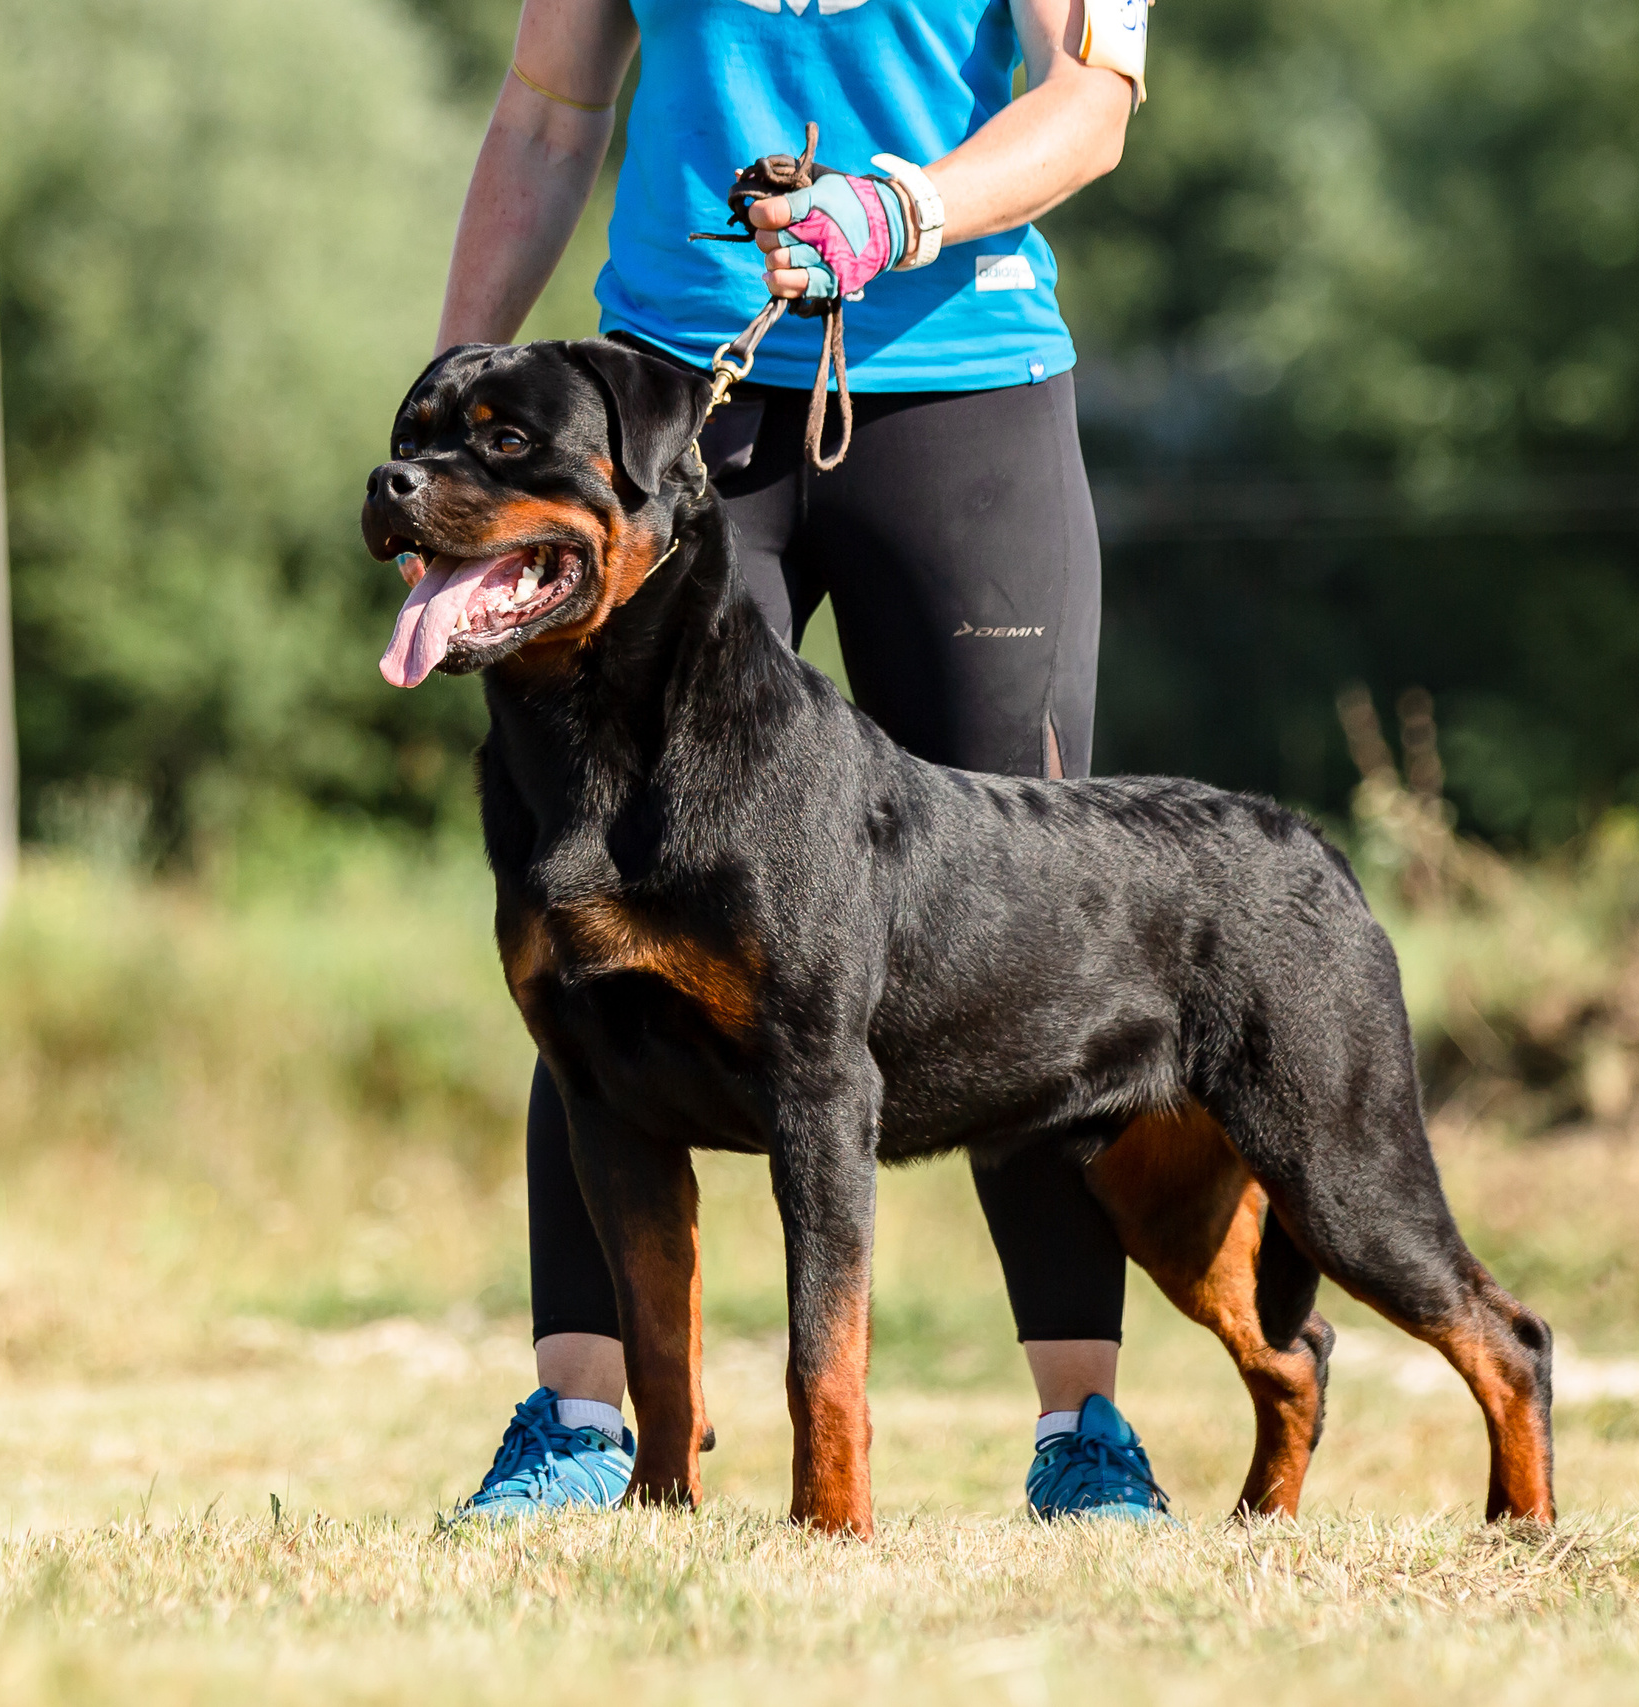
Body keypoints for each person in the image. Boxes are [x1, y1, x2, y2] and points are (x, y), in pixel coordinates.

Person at [434, 0, 1166, 1523]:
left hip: (969, 392)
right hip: (670, 418)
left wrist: (907, 206)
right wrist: (460, 406)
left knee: (1026, 919)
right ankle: (584, 1421)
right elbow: (549, 109)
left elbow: (1091, 97)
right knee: (591, 916)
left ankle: (1080, 1431)